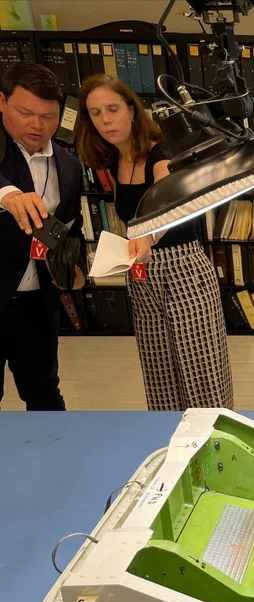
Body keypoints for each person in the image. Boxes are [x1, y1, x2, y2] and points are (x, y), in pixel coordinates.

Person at [75, 74, 234, 411]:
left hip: (183, 270)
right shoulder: (113, 161)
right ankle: (167, 441)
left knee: (202, 378)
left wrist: (147, 235)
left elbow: (166, 200)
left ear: (132, 110)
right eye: (95, 113)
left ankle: (211, 439)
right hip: (141, 275)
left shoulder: (161, 153)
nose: (105, 120)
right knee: (160, 378)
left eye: (112, 109)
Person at [0, 62, 85, 411]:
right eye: (26, 113)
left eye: (49, 116)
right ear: (2, 102)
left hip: (37, 305)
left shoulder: (68, 165)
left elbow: (72, 228)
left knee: (44, 394)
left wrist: (75, 268)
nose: (37, 125)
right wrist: (8, 195)